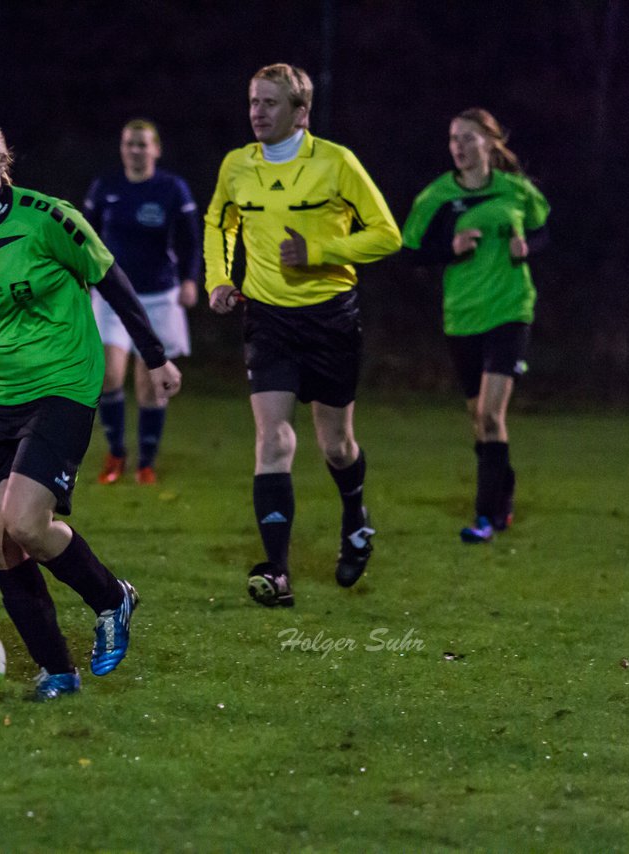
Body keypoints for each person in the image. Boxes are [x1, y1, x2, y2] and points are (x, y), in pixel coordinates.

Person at [0, 112, 182, 699]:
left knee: (26, 522)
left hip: (65, 381)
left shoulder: (50, 218)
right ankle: (57, 670)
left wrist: (156, 356)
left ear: (1, 161)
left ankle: (112, 598)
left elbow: (112, 281)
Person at [204, 63, 401, 607]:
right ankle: (278, 572)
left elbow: (387, 235)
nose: (257, 112)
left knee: (335, 446)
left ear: (301, 113)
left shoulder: (337, 163)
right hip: (268, 318)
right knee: (273, 440)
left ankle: (355, 518)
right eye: (253, 101)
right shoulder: (237, 166)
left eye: (269, 103)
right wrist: (220, 278)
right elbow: (220, 222)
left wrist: (319, 252)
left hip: (331, 317)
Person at [401, 108, 550, 543]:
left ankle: (486, 517)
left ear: (489, 142)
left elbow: (544, 231)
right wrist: (450, 247)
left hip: (511, 309)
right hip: (462, 315)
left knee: (490, 413)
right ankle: (502, 487)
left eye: (468, 138)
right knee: (478, 419)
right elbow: (409, 251)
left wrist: (528, 246)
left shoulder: (516, 190)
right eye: (453, 139)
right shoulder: (437, 197)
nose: (459, 147)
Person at [83, 119, 202, 485]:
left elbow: (190, 240)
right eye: (128, 144)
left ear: (156, 149)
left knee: (151, 382)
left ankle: (146, 461)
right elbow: (83, 236)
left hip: (159, 296)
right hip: (113, 296)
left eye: (141, 144)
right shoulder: (106, 187)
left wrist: (189, 280)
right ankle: (116, 453)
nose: (134, 150)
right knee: (108, 374)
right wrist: (81, 277)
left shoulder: (172, 189)